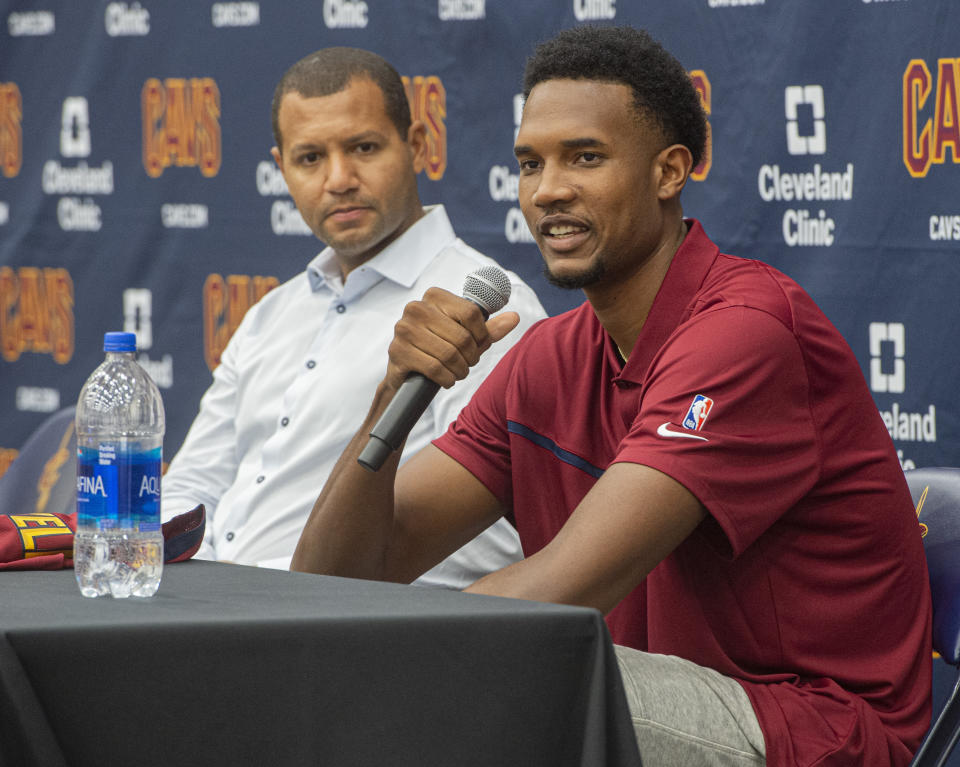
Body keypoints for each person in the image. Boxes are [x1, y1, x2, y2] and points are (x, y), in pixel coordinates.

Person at [291, 26, 933, 766]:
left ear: (668, 172)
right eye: (530, 163)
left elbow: (566, 586)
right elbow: (332, 585)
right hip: (629, 690)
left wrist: (380, 659)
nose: (548, 189)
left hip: (807, 725)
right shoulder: (548, 356)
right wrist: (390, 403)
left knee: (475, 670)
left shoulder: (745, 332)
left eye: (585, 157)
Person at [159, 47, 546, 586]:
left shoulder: (482, 307)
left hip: (337, 633)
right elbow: (191, 485)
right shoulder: (272, 312)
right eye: (310, 158)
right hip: (211, 609)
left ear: (416, 146)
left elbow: (485, 539)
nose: (339, 179)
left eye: (363, 147)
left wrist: (255, 587)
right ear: (282, 170)